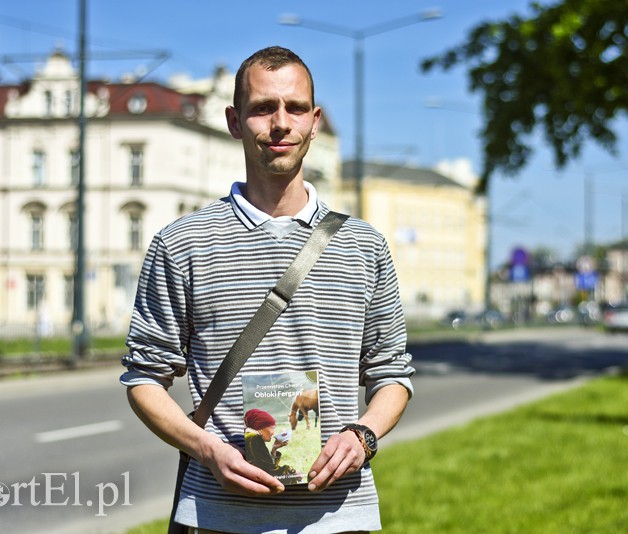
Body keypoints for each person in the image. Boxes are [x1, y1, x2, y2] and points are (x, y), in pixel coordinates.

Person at [121, 46, 414, 533]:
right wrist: (207, 449)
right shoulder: (181, 243)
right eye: (263, 108)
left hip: (339, 517)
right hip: (220, 515)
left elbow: (392, 376)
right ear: (235, 121)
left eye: (295, 108)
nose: (281, 123)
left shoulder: (364, 245)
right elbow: (143, 379)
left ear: (314, 121)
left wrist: (364, 433)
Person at [243, 409, 304, 485]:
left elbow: (265, 465)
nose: (273, 432)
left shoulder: (250, 436)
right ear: (261, 426)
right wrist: (292, 472)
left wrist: (274, 449)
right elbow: (270, 470)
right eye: (272, 428)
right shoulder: (254, 438)